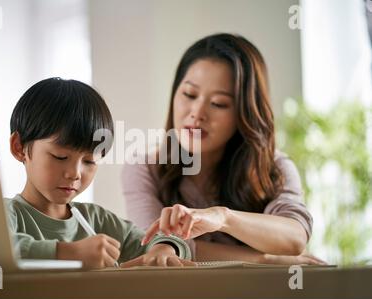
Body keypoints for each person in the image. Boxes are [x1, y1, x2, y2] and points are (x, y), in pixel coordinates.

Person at [122, 33, 325, 265]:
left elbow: (294, 237)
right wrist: (266, 259)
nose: (197, 113)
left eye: (219, 103)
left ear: (244, 113)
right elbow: (159, 247)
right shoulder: (144, 166)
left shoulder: (274, 167)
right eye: (189, 94)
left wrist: (223, 217)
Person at [6, 77, 194, 269]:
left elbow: (155, 241)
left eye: (90, 161)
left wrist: (164, 249)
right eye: (60, 157)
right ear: (19, 147)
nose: (75, 174)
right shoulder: (5, 214)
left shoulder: (98, 220)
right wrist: (69, 253)